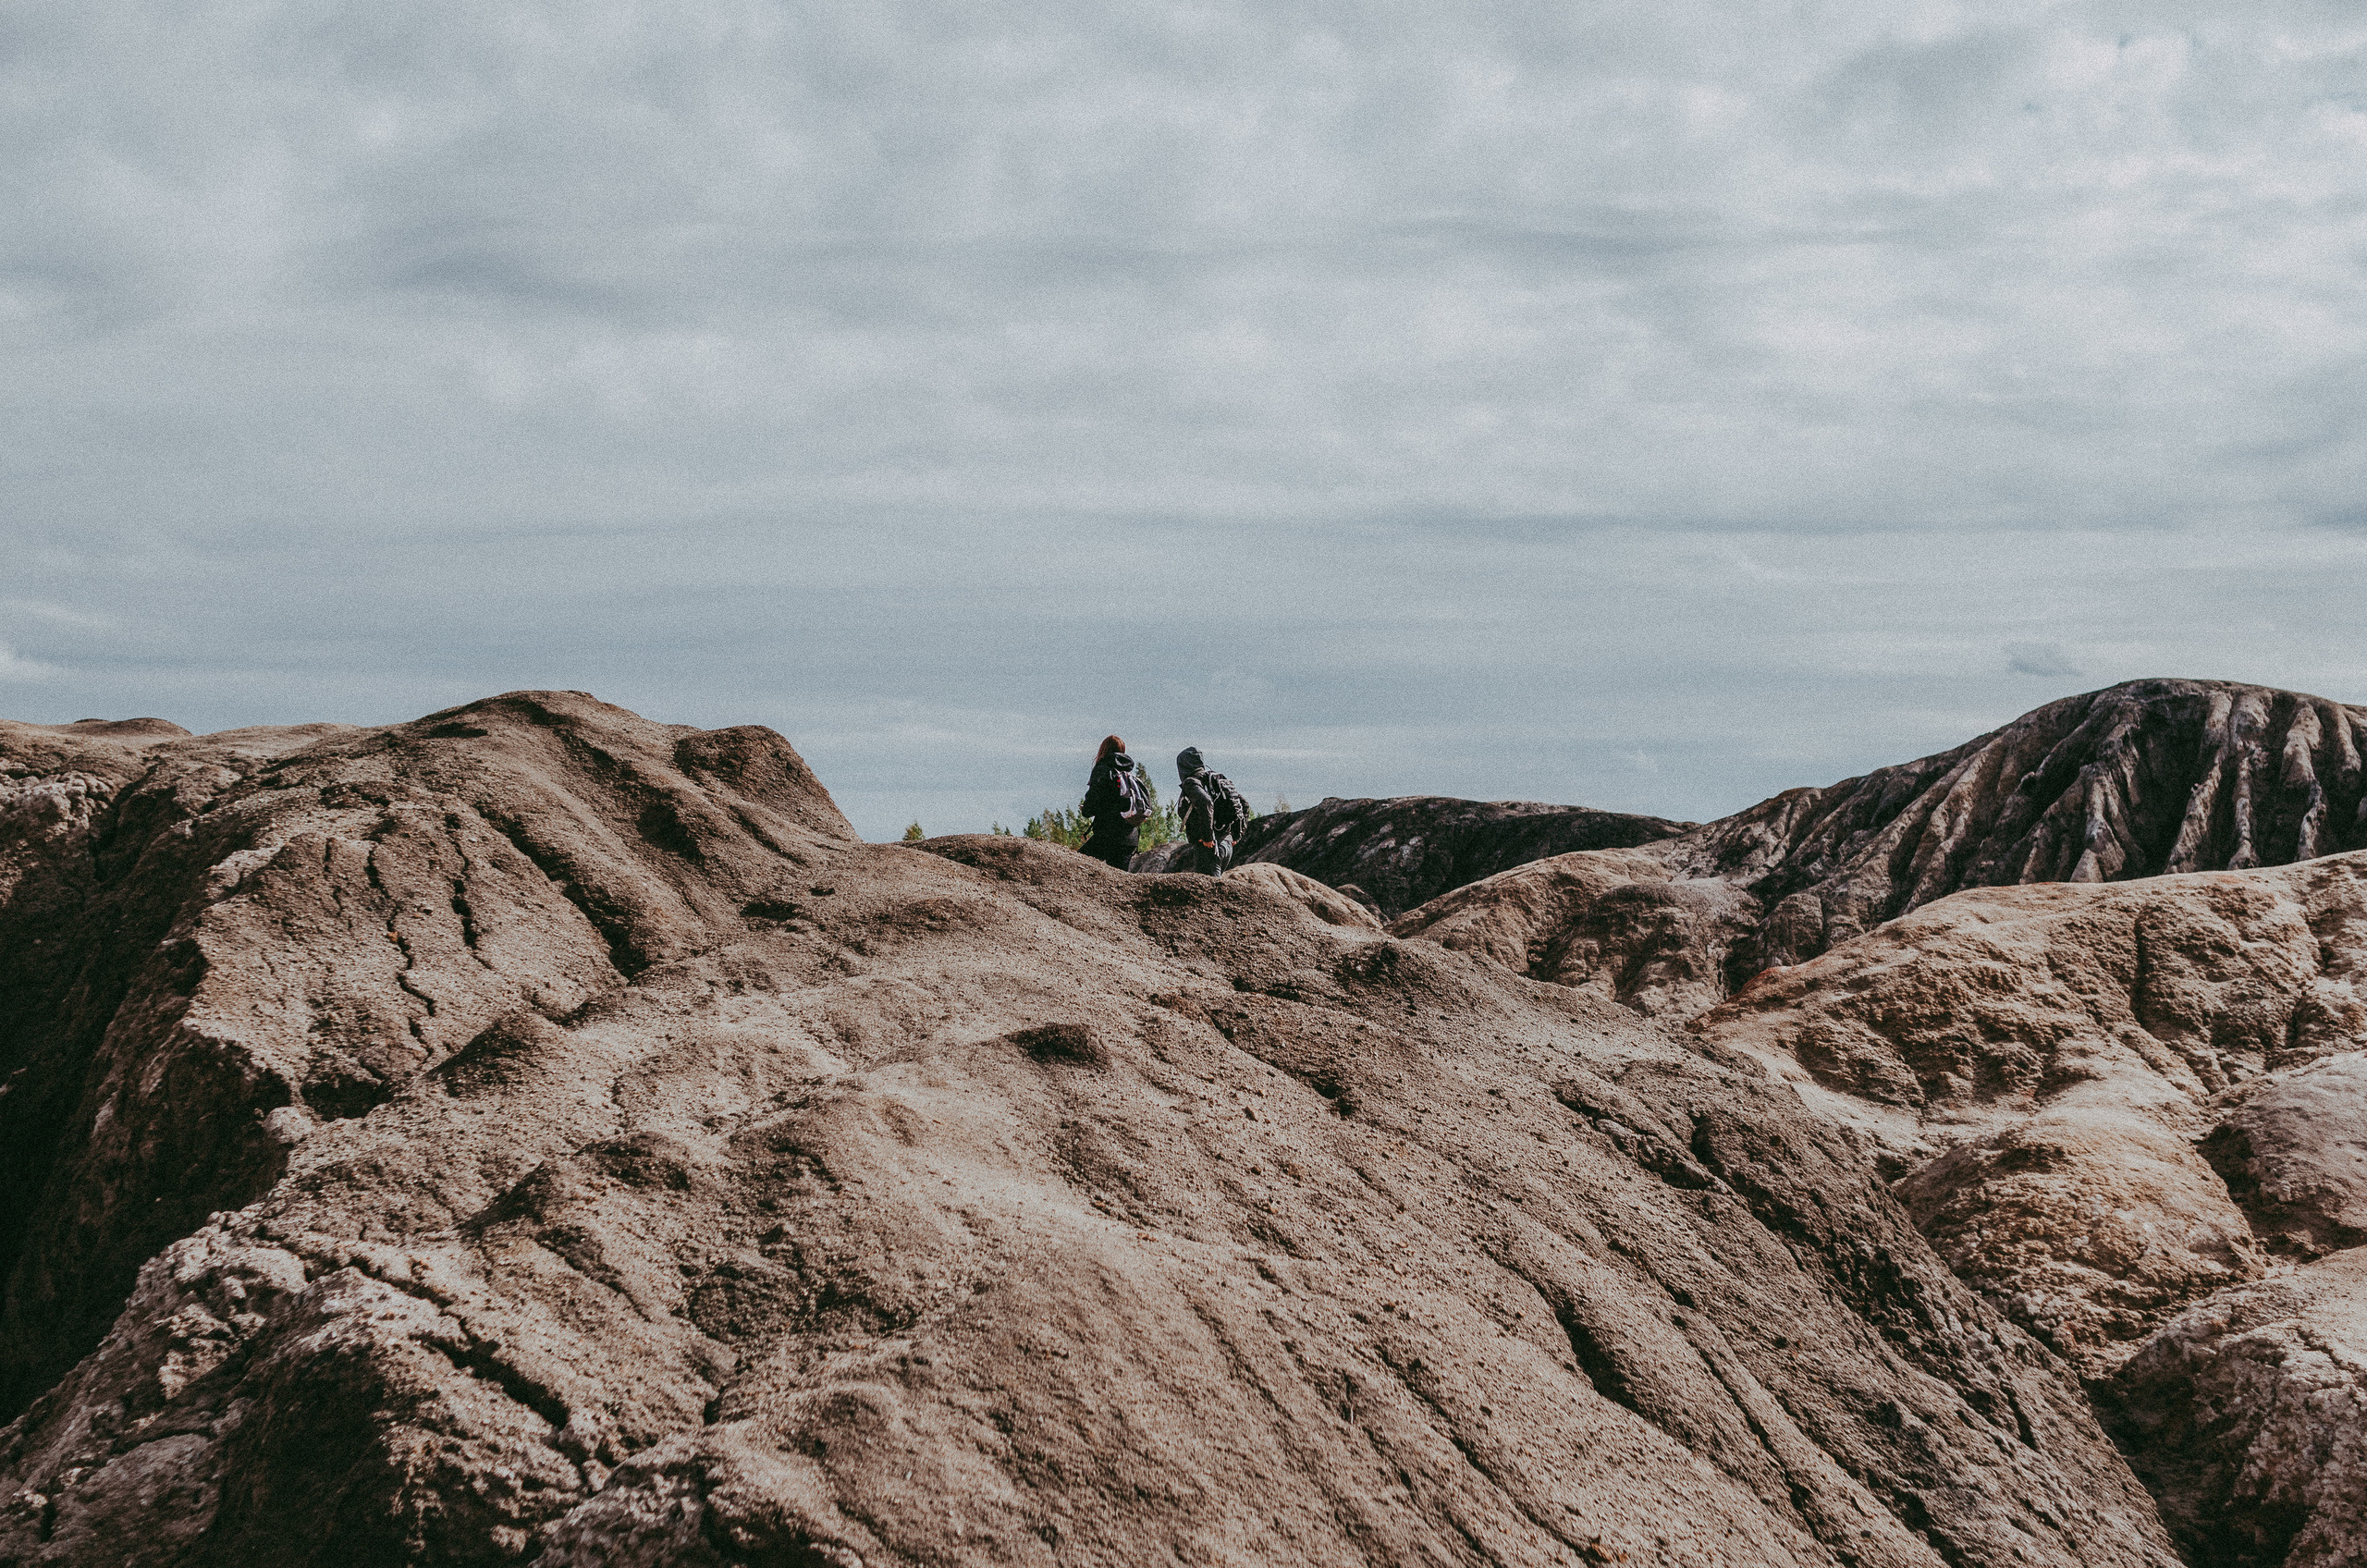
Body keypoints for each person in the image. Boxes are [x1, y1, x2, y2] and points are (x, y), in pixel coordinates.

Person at [1173, 746, 1245, 876]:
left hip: (1210, 847)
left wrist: (1207, 837)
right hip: (1226, 844)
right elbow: (1244, 804)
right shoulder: (1215, 781)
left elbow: (1205, 803)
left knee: (1211, 892)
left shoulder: (1191, 782)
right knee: (1215, 888)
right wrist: (1236, 835)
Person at [1079, 735, 1147, 871]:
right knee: (1118, 883)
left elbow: (1092, 802)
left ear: (1103, 750)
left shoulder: (1103, 769)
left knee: (1076, 866)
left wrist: (1085, 809)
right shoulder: (1128, 772)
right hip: (1130, 838)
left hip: (1107, 835)